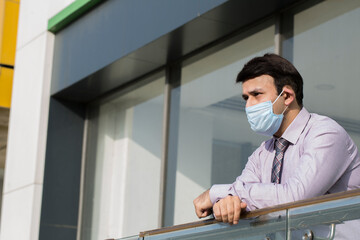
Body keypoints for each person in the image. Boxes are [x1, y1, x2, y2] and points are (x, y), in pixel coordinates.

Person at [193, 53, 360, 227]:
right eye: (246, 98)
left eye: (256, 94)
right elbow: (240, 199)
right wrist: (228, 201)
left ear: (287, 96)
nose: (248, 106)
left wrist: (216, 193)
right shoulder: (261, 154)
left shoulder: (325, 134)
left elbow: (295, 199)